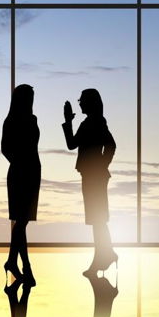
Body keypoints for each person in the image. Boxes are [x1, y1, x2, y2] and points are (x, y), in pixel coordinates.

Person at [62, 89, 117, 276]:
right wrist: (68, 121)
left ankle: (103, 256)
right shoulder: (87, 123)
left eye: (82, 101)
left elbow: (111, 145)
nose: (80, 104)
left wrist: (101, 164)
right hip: (90, 175)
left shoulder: (97, 122)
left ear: (90, 103)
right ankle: (106, 254)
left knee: (97, 218)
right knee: (97, 219)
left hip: (96, 176)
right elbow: (72, 144)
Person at [1, 84, 40, 286]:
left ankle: (13, 262)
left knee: (22, 222)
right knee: (21, 221)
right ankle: (24, 266)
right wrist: (19, 162)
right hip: (20, 172)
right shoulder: (11, 121)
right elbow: (4, 148)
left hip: (33, 172)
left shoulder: (32, 119)